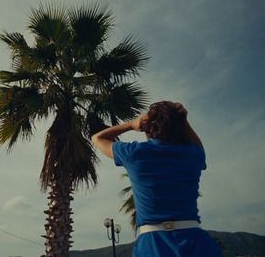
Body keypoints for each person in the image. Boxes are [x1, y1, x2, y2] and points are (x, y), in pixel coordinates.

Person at [92, 101, 222, 257]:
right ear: (180, 128)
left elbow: (98, 138)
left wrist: (132, 124)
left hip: (153, 243)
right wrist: (183, 120)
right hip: (195, 241)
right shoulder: (192, 155)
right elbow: (199, 149)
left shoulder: (135, 154)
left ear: (148, 128)